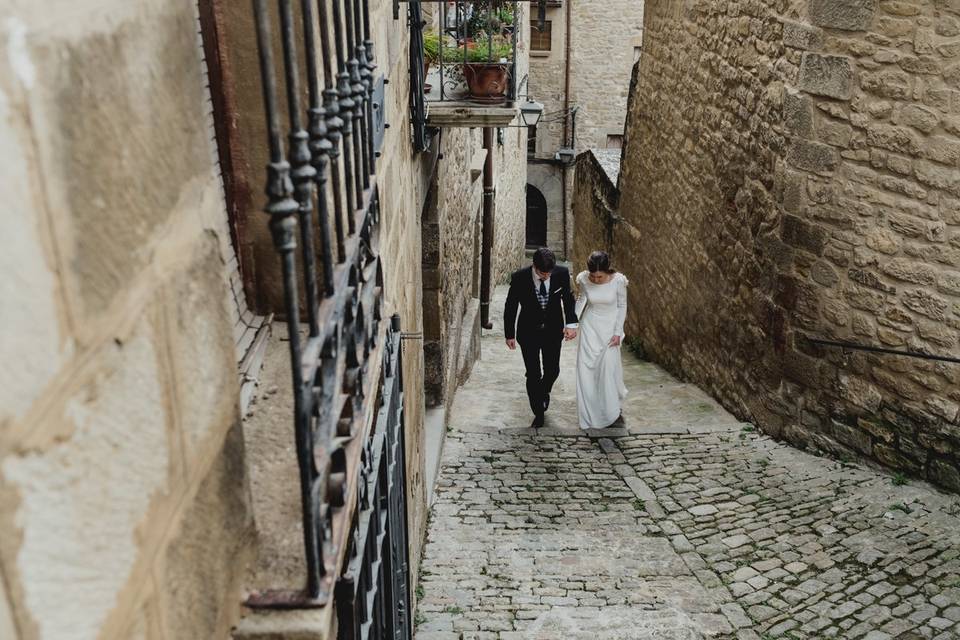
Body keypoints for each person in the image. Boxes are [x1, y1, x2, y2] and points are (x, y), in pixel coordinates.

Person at [504, 247, 578, 428]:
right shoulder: (519, 278)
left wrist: (571, 324)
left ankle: (543, 393)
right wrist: (509, 334)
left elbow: (568, 300)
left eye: (548, 273)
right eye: (541, 273)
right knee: (534, 373)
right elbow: (511, 306)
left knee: (553, 370)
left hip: (553, 331)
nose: (545, 276)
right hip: (528, 332)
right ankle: (538, 411)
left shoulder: (561, 273)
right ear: (533, 266)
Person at [575, 251, 628, 430]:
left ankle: (611, 413)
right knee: (586, 372)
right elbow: (582, 299)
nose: (596, 280)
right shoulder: (583, 279)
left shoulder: (618, 281)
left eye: (600, 276)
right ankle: (590, 414)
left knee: (607, 372)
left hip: (610, 331)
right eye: (593, 276)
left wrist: (617, 332)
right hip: (590, 328)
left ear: (607, 271)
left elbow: (622, 306)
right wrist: (572, 324)